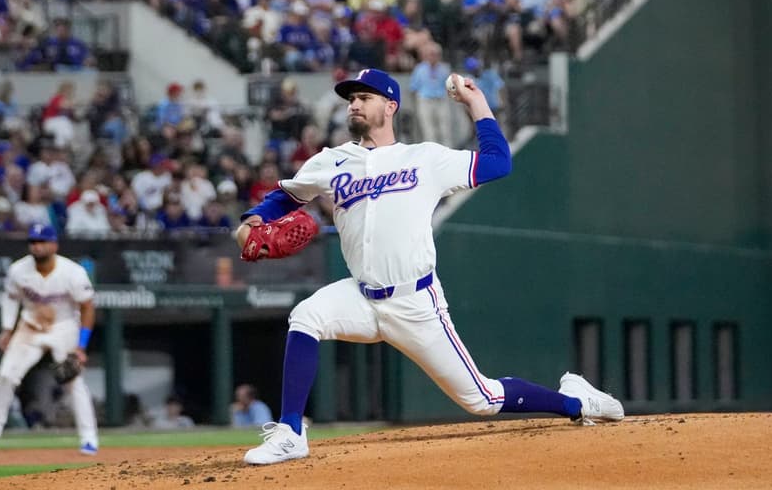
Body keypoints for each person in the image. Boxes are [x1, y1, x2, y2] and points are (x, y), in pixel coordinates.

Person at [235, 68, 624, 465]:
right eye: (350, 98)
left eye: (364, 97)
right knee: (305, 316)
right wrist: (251, 220)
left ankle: (577, 401)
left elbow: (498, 163)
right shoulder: (331, 161)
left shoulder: (424, 158)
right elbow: (287, 196)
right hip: (360, 294)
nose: (353, 103)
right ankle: (291, 432)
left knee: (482, 399)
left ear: (390, 106)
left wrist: (477, 104)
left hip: (414, 302)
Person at [0, 224, 98, 455]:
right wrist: (6, 328)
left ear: (54, 245)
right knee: (6, 375)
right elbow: (11, 298)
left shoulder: (73, 272)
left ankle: (89, 437)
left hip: (64, 326)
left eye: (42, 241)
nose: (37, 246)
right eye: (33, 242)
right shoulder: (18, 270)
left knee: (73, 380)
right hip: (30, 325)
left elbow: (87, 307)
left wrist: (81, 346)